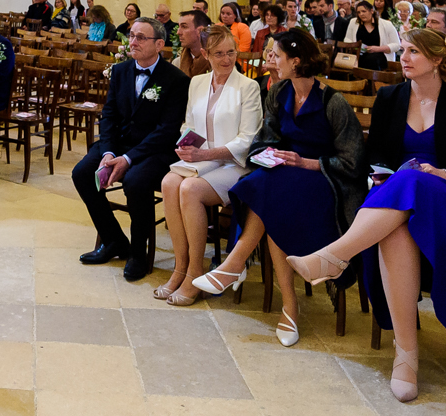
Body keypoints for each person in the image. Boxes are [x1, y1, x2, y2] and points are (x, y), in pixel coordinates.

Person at [285, 28, 446, 402]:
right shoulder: (390, 97)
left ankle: (335, 256)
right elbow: (376, 157)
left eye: (414, 51)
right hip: (398, 206)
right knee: (397, 223)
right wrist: (381, 173)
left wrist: (444, 174)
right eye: (403, 51)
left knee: (413, 180)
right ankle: (406, 356)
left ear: (436, 59)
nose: (404, 57)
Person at [190, 29, 363, 345]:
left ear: (296, 61)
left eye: (276, 55)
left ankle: (237, 265)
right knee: (264, 187)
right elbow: (263, 140)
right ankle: (286, 304)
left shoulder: (332, 102)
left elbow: (352, 163)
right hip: (284, 177)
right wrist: (270, 155)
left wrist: (304, 162)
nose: (270, 59)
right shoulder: (278, 93)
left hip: (324, 181)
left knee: (268, 191)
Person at [155, 24, 264, 305]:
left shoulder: (248, 87)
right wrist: (186, 144)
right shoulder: (198, 82)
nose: (226, 60)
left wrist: (205, 155)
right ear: (206, 53)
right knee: (169, 182)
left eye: (231, 52)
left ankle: (195, 273)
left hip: (233, 164)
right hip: (203, 160)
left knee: (189, 189)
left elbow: (248, 139)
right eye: (219, 54)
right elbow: (189, 123)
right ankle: (180, 268)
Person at [72, 17, 188, 281]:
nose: (132, 42)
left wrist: (128, 158)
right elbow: (109, 114)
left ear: (159, 44)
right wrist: (110, 153)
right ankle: (114, 240)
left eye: (140, 38)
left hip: (153, 150)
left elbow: (167, 130)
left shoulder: (176, 80)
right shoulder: (122, 71)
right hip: (118, 145)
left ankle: (138, 253)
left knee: (135, 182)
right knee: (82, 174)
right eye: (132, 36)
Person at [347, 0, 399, 71]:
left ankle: (372, 80)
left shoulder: (386, 24)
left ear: (371, 11)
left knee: (372, 59)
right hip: (360, 55)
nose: (361, 14)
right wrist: (356, 48)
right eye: (358, 12)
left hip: (380, 55)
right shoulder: (354, 22)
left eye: (364, 11)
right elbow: (347, 39)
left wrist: (377, 49)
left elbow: (397, 45)